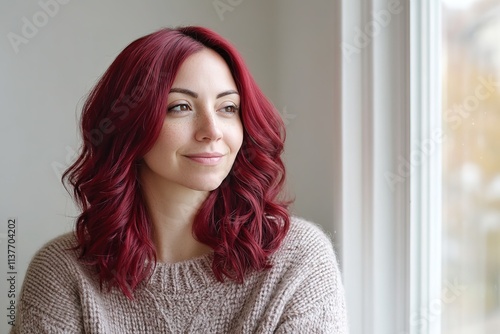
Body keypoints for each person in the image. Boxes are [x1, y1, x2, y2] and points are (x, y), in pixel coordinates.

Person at [11, 26, 348, 333]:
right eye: (181, 107)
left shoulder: (298, 259)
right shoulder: (62, 273)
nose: (212, 131)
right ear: (128, 125)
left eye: (228, 108)